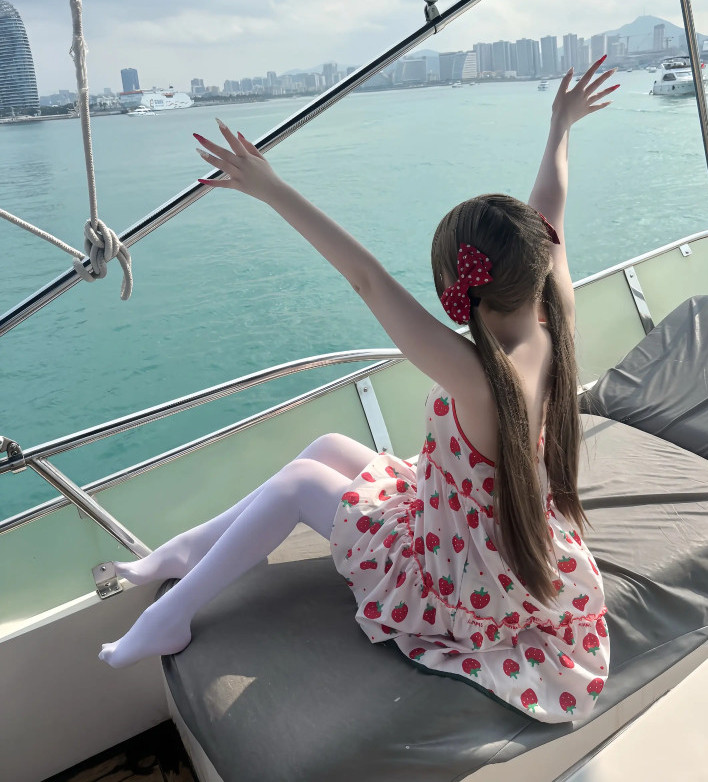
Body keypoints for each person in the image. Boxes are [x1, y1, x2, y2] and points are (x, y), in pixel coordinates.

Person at [99, 58, 618, 724]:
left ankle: (170, 617)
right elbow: (550, 206)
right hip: (475, 523)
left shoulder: (479, 377)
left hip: (458, 573)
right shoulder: (554, 318)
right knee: (327, 446)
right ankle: (185, 551)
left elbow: (367, 279)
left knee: (298, 485)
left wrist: (272, 189)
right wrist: (559, 126)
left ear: (460, 290)